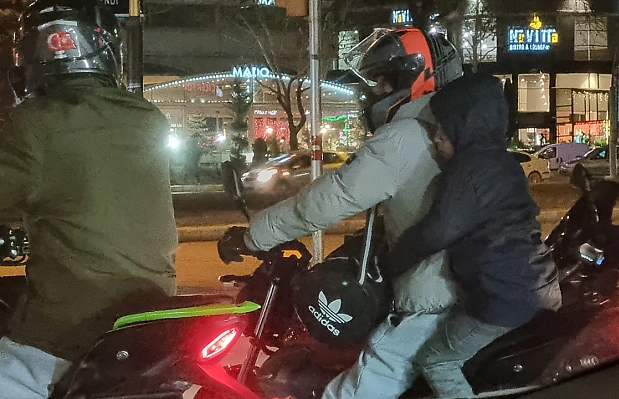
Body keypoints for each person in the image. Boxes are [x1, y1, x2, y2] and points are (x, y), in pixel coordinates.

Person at [0, 1, 178, 398]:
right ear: (107, 49)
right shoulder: (144, 118)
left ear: (31, 59)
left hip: (70, 331)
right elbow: (86, 189)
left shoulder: (39, 126)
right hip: (145, 320)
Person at [218, 27, 463, 399]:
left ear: (418, 78)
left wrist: (254, 235)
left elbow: (328, 200)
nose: (375, 93)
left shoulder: (404, 138)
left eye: (385, 82)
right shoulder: (443, 133)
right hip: (458, 286)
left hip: (432, 300)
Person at [387, 73, 562, 398]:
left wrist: (390, 264)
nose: (436, 138)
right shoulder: (501, 162)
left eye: (445, 130)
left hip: (503, 294)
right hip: (535, 282)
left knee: (436, 359)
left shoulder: (469, 170)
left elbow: (438, 230)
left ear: (466, 127)